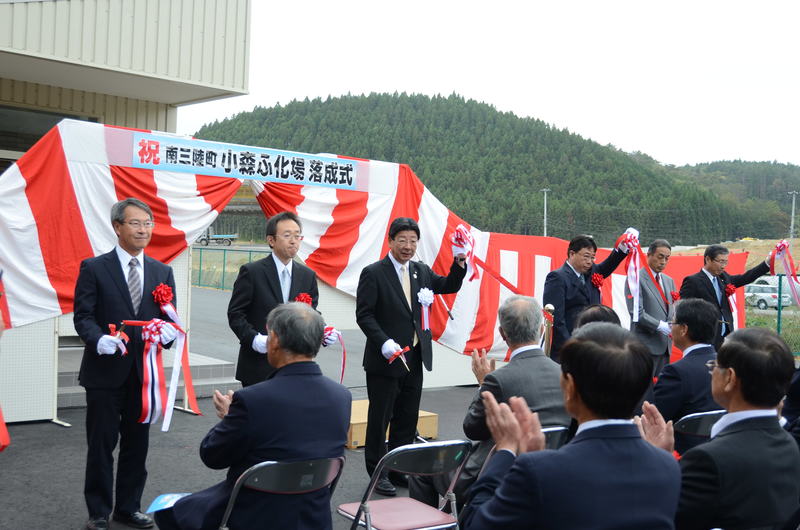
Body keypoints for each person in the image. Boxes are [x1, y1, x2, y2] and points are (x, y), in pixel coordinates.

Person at [461, 323, 680, 529]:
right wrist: (656, 456)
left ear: (570, 388)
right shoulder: (667, 466)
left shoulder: (542, 471)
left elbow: (476, 523)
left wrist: (506, 450)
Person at [153, 302, 352, 530]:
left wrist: (230, 417)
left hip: (252, 514)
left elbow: (212, 456)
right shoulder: (342, 396)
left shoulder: (253, 400)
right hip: (313, 517)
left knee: (169, 513)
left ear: (274, 340)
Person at [408, 296, 569, 511]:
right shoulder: (565, 375)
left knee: (421, 467)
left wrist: (484, 384)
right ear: (541, 330)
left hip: (499, 471)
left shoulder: (499, 380)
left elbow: (473, 429)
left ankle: (437, 523)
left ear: (503, 334)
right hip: (555, 468)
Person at [74, 198, 177, 530]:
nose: (143, 229)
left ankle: (128, 508)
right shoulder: (94, 268)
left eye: (148, 223)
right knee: (101, 445)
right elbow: (83, 316)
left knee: (137, 445)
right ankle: (98, 512)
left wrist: (168, 334)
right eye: (135, 223)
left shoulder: (162, 272)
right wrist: (98, 339)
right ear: (117, 226)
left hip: (143, 376)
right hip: (104, 373)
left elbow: (170, 319)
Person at [637, 327, 800, 530]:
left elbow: (662, 519)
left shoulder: (708, 459)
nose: (712, 371)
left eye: (714, 365)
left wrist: (658, 460)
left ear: (730, 378)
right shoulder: (789, 445)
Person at [356, 217, 466, 496]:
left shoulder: (421, 271)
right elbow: (364, 315)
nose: (408, 246)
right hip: (386, 359)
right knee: (380, 418)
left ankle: (399, 468)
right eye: (402, 240)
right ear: (390, 241)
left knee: (407, 418)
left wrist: (459, 260)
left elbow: (449, 285)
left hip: (415, 357)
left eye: (413, 241)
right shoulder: (373, 273)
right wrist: (383, 342)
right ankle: (377, 473)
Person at [227, 211, 319, 386]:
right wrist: (254, 339)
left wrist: (322, 329)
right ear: (271, 240)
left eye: (297, 236)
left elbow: (311, 312)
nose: (293, 241)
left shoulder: (307, 275)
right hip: (258, 363)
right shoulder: (252, 272)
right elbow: (236, 314)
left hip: (295, 365)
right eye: (287, 235)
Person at [542, 230, 636, 360]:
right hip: (569, 345)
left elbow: (610, 264)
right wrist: (570, 346)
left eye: (592, 257)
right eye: (586, 256)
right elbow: (557, 319)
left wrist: (623, 246)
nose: (589, 261)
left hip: (592, 343)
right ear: (572, 254)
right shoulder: (557, 277)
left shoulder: (592, 271)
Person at [652, 298, 721, 453]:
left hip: (686, 453)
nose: (670, 327)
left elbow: (655, 419)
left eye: (672, 323)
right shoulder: (730, 365)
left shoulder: (676, 372)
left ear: (683, 329)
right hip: (724, 447)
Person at [679, 244, 770, 350]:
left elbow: (745, 278)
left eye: (725, 262)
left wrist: (767, 264)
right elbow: (684, 310)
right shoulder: (693, 281)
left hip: (725, 337)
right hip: (704, 337)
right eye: (721, 261)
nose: (723, 266)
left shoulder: (723, 278)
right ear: (708, 259)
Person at [626, 239, 676, 377]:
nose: (663, 262)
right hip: (645, 346)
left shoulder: (669, 281)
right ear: (649, 255)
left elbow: (672, 310)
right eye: (660, 257)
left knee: (662, 387)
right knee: (643, 386)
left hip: (666, 346)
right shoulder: (636, 279)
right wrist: (661, 326)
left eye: (667, 258)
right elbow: (636, 312)